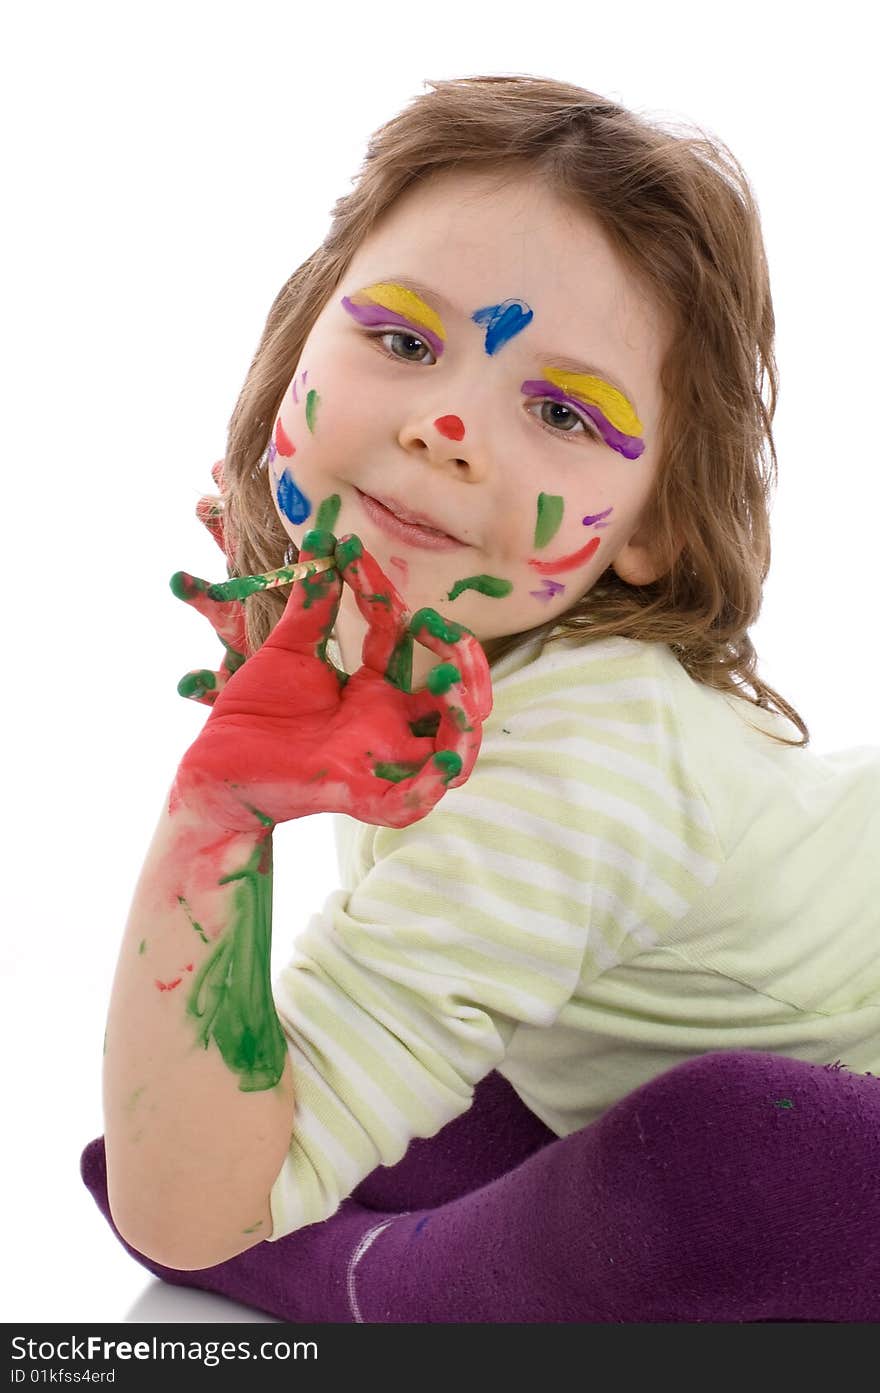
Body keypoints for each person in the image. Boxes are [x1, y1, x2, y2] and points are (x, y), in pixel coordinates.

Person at [82, 74, 880, 1323]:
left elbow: (185, 1204)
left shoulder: (582, 760)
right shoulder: (411, 647)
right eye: (402, 341)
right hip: (634, 1043)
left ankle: (362, 1279)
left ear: (656, 524)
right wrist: (225, 806)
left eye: (563, 411)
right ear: (300, 341)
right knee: (420, 1103)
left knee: (742, 1152)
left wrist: (220, 815)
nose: (447, 420)